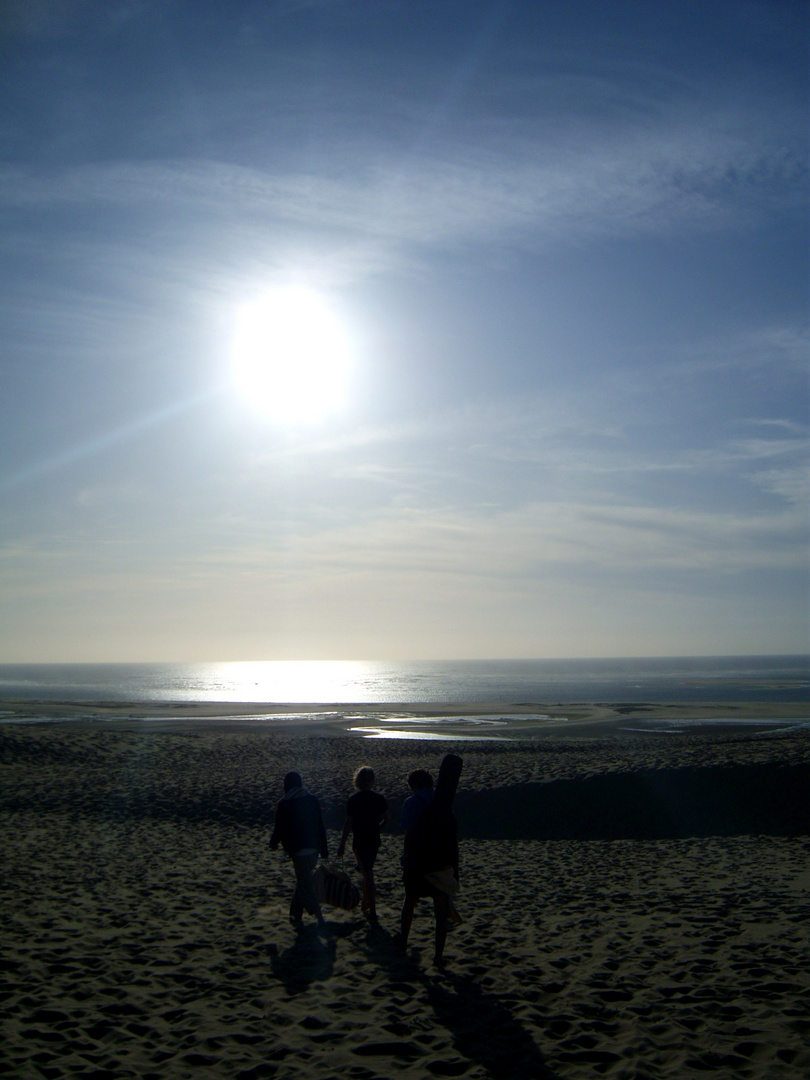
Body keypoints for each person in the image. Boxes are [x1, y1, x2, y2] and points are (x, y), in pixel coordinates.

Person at [399, 767, 459, 966]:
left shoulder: (411, 803)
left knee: (410, 901)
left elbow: (409, 838)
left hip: (418, 862)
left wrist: (406, 865)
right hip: (441, 862)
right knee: (440, 911)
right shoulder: (444, 801)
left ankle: (403, 941)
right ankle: (438, 956)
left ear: (414, 786)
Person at [270, 770, 329, 929]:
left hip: (298, 850)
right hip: (314, 848)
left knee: (305, 885)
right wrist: (324, 849)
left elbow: (279, 828)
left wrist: (273, 842)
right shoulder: (312, 799)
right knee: (303, 881)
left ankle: (318, 916)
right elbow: (319, 826)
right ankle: (294, 913)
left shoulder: (284, 804)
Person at [336, 766, 390, 923]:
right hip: (373, 840)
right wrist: (377, 828)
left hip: (359, 840)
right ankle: (366, 903)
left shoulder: (353, 800)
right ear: (372, 781)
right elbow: (387, 820)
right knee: (366, 870)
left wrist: (342, 844)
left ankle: (371, 909)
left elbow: (348, 823)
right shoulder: (379, 798)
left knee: (368, 873)